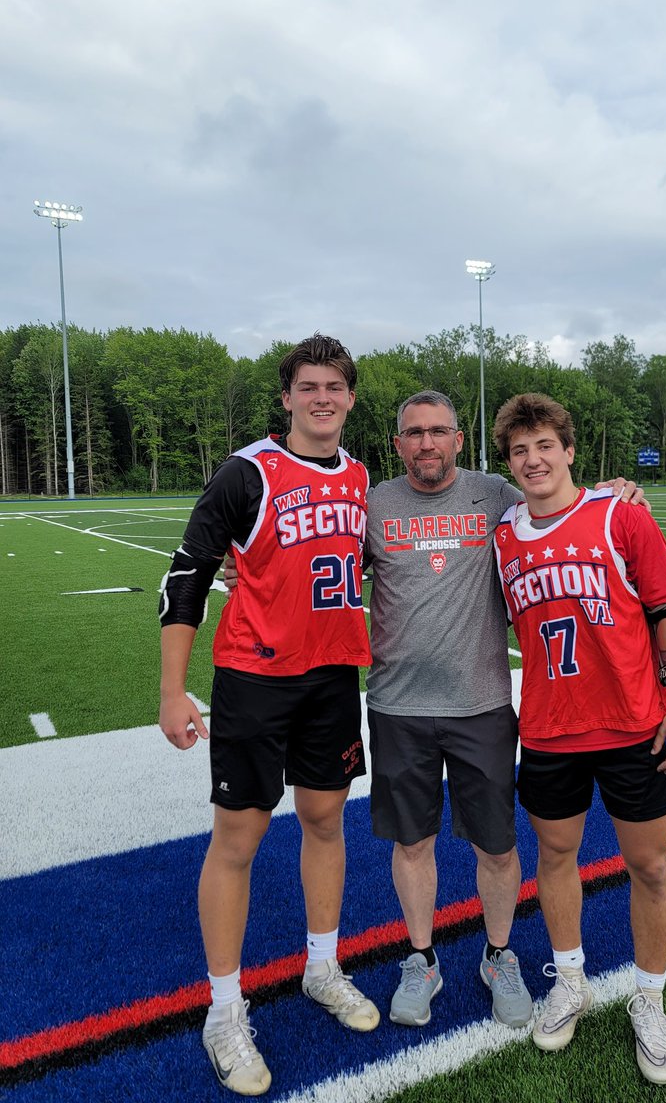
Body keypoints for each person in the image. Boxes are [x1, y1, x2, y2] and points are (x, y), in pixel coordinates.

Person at [364, 390, 647, 1031]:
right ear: (398, 442)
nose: (427, 443)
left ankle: (499, 955)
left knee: (496, 846)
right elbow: (318, 565)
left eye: (439, 431)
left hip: (482, 704)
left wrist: (618, 490)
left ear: (460, 439)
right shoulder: (372, 504)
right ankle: (421, 958)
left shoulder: (497, 494)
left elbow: (561, 499)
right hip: (397, 705)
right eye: (414, 433)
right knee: (413, 842)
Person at [159, 334, 379, 1098]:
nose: (322, 397)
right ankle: (224, 1008)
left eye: (335, 386)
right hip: (255, 678)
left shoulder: (360, 475)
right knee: (239, 836)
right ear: (287, 398)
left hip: (331, 680)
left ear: (351, 398)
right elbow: (186, 576)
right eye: (307, 386)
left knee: (326, 817)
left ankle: (322, 965)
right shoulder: (246, 472)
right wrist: (170, 689)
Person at [491, 393, 666, 1086]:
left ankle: (648, 995)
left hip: (635, 725)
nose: (533, 459)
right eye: (520, 449)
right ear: (510, 461)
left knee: (648, 865)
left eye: (545, 444)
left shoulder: (620, 514)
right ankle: (572, 980)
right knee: (556, 856)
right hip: (550, 729)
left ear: (570, 450)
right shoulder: (503, 537)